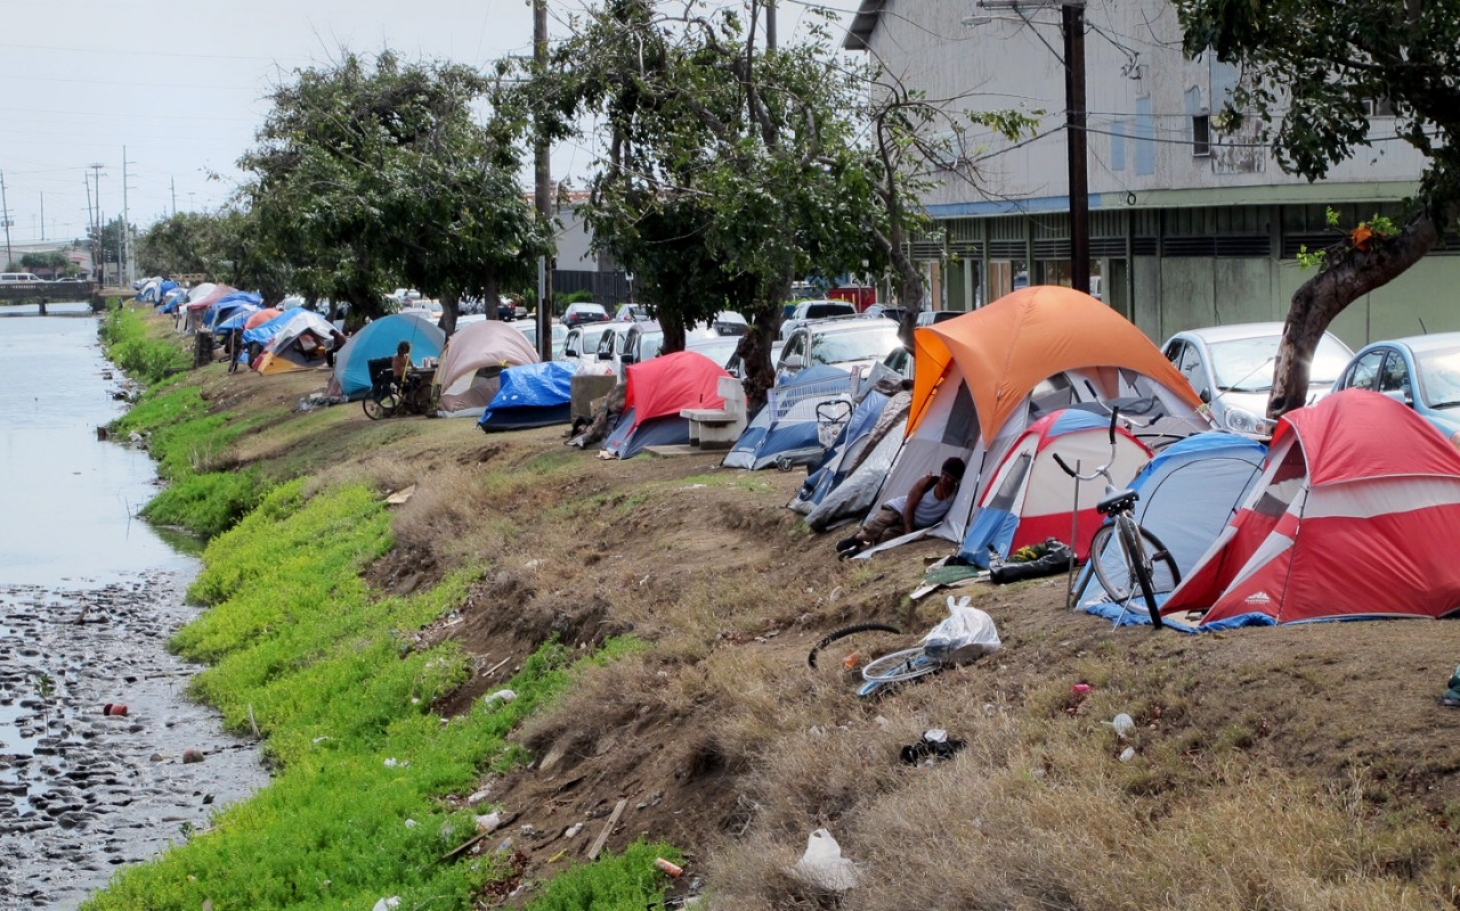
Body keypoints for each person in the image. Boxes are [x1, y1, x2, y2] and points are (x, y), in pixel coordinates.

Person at [837, 457, 966, 558]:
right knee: (874, 529)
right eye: (944, 476)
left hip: (916, 523)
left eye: (950, 478)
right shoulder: (927, 482)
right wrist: (908, 532)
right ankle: (857, 539)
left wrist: (910, 532)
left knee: (885, 538)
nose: (945, 480)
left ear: (955, 481)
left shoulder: (956, 495)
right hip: (897, 510)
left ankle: (858, 551)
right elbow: (908, 507)